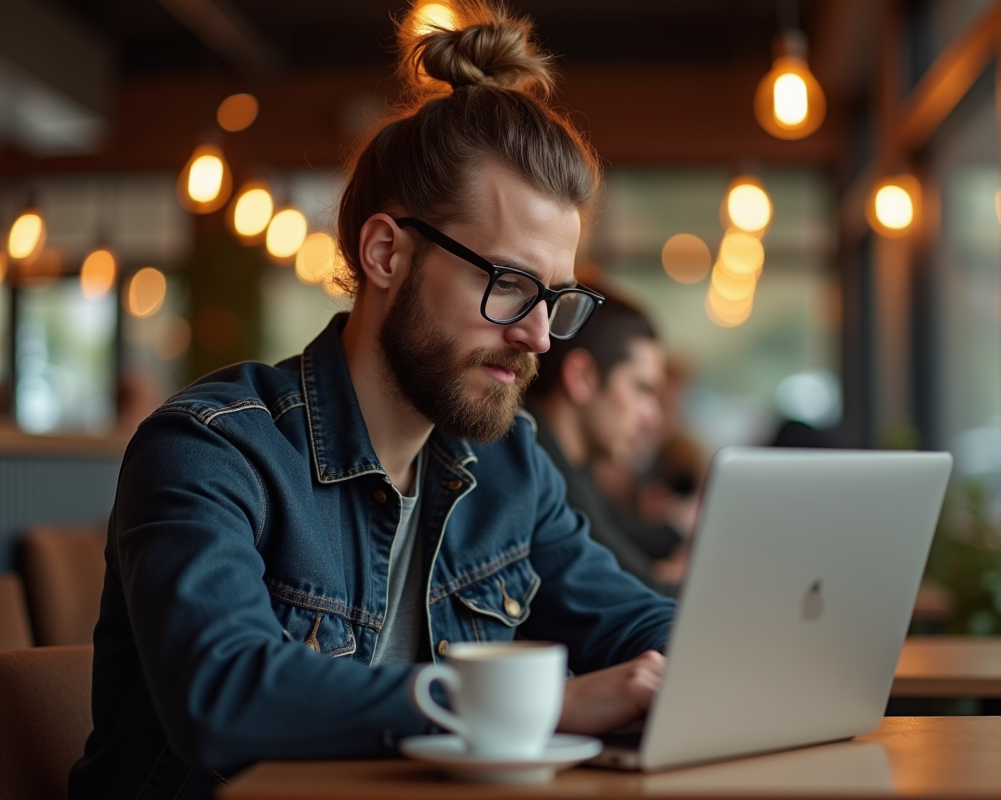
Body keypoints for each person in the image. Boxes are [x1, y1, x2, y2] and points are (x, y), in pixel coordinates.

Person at [69, 4, 673, 798]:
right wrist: (538, 707)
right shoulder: (210, 449)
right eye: (507, 285)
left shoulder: (510, 467)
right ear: (386, 252)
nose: (538, 337)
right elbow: (222, 693)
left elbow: (634, 625)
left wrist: (715, 657)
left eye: (554, 298)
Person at [523, 292, 687, 591]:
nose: (653, 416)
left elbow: (625, 541)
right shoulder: (534, 468)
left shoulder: (571, 466)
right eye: (641, 388)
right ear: (582, 377)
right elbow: (633, 585)